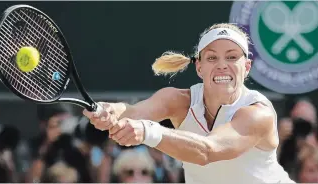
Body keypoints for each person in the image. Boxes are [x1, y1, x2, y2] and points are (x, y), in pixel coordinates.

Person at [83, 23, 294, 183]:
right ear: (199, 67)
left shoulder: (258, 114)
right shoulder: (179, 100)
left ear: (246, 67)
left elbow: (208, 150)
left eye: (231, 57)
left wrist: (148, 132)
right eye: (212, 58)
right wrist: (110, 111)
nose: (222, 66)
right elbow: (133, 111)